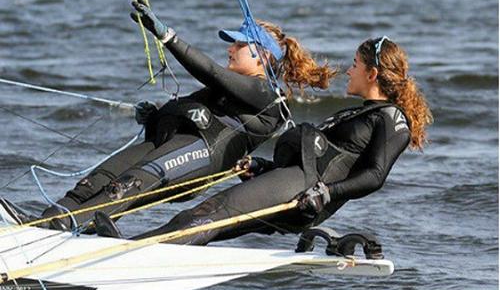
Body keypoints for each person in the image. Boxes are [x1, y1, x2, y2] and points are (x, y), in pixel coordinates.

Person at [26, 0, 336, 231]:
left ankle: (62, 230)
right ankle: (43, 225)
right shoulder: (228, 90)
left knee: (122, 188)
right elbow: (191, 108)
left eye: (239, 44)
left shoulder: (267, 94)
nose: (230, 49)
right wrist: (154, 117)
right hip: (175, 145)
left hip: (198, 159)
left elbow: (210, 72)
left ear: (262, 55)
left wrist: (166, 35)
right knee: (97, 180)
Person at [94, 36, 433, 244]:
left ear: (372, 74)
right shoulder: (362, 113)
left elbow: (375, 175)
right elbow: (331, 158)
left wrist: (327, 192)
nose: (349, 70)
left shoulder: (391, 119)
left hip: (306, 192)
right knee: (212, 225)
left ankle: (129, 252)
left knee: (211, 212)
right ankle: (135, 253)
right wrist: (262, 166)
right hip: (295, 183)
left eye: (356, 65)